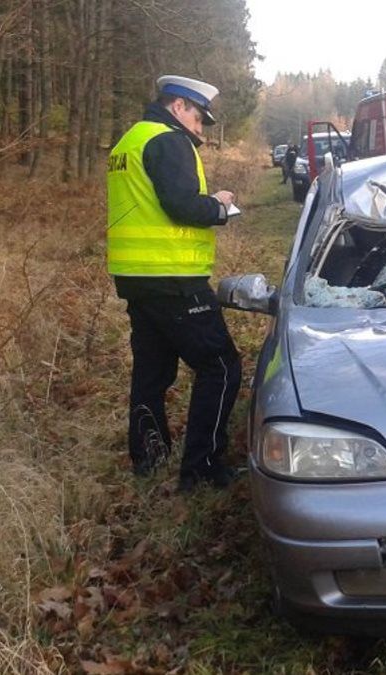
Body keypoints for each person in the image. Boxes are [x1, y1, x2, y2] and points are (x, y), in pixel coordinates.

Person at [106, 75, 242, 492]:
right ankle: (201, 470)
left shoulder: (130, 141)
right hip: (174, 278)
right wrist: (218, 205)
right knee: (221, 367)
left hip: (137, 279)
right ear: (179, 106)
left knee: (152, 373)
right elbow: (182, 205)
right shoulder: (168, 140)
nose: (200, 130)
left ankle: (149, 458)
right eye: (199, 118)